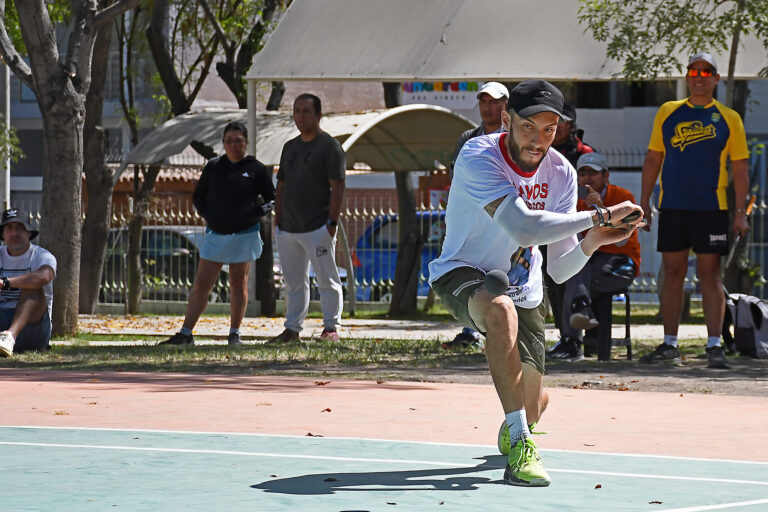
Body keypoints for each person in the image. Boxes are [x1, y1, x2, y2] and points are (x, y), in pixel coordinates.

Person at [428, 80, 643, 486]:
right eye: (529, 126)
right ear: (507, 119)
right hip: (463, 271)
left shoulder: (561, 172)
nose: (538, 140)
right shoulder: (478, 156)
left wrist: (593, 241)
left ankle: (523, 419)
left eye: (549, 129)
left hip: (525, 287)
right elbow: (524, 228)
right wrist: (599, 216)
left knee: (534, 404)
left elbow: (560, 269)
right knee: (498, 307)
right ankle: (523, 444)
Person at [639, 52, 749, 369]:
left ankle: (715, 345)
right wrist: (644, 202)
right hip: (673, 207)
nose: (699, 77)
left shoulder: (729, 118)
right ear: (687, 77)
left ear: (716, 79)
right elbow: (653, 159)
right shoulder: (668, 112)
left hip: (711, 209)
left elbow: (740, 170)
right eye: (694, 71)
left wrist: (741, 212)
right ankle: (669, 343)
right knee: (672, 274)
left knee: (710, 275)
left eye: (706, 72)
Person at [161, 121, 275, 347]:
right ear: (223, 143)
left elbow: (271, 198)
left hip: (244, 233)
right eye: (229, 141)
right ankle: (186, 333)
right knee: (202, 283)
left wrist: (255, 213)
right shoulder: (214, 166)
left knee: (237, 281)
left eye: (238, 141)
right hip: (216, 233)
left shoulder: (256, 168)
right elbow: (199, 196)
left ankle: (234, 333)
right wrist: (209, 216)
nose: (234, 145)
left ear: (246, 143)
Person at [547, 152, 641, 361]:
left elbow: (621, 240)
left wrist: (603, 211)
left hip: (621, 264)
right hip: (590, 263)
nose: (587, 178)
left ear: (606, 175)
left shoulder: (623, 198)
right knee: (574, 268)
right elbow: (571, 240)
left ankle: (572, 339)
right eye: (582, 173)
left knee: (576, 273)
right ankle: (580, 311)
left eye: (593, 173)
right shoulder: (572, 200)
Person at [270, 93, 346, 343]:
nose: (300, 116)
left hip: (318, 226)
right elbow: (280, 185)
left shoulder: (329, 147)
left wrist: (331, 223)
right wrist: (278, 220)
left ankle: (331, 328)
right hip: (288, 227)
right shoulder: (290, 147)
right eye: (296, 111)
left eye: (306, 111)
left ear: (318, 115)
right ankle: (292, 329)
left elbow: (338, 186)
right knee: (293, 282)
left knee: (326, 279)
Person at [443, 81, 509, 350]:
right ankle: (471, 331)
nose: (488, 107)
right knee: (472, 270)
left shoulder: (514, 135)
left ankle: (504, 330)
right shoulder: (468, 137)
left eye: (494, 102)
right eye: (484, 102)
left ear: (506, 105)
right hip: (474, 218)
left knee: (505, 274)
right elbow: (458, 176)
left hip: (505, 217)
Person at [543, 100, 596, 349]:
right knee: (552, 283)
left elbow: (594, 190)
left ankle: (572, 338)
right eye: (554, 121)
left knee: (569, 277)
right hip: (547, 227)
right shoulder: (541, 151)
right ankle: (565, 336)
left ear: (572, 124)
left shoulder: (585, 153)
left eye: (562, 121)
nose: (558, 126)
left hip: (579, 229)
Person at [0, 208, 57, 357]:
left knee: (33, 285)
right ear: (3, 234)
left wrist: (6, 283)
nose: (14, 233)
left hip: (33, 330)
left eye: (20, 228)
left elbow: (44, 276)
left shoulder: (42, 255)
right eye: (9, 228)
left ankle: (9, 337)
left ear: (29, 233)